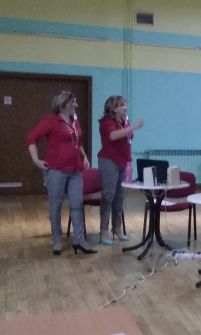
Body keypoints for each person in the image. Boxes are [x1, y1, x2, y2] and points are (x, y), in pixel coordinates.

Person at [26, 91, 96, 255]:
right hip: (56, 170)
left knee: (77, 205)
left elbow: (77, 142)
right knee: (55, 206)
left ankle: (80, 240)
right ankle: (57, 240)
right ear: (63, 105)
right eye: (73, 103)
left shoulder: (74, 121)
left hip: (75, 170)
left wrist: (84, 157)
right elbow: (31, 139)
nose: (76, 105)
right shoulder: (50, 121)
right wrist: (36, 160)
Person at [97, 96, 143, 246]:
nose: (125, 107)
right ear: (114, 108)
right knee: (108, 196)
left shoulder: (125, 121)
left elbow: (127, 140)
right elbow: (113, 135)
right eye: (122, 105)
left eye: (125, 104)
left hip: (124, 162)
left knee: (120, 197)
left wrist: (129, 161)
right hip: (109, 161)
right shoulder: (106, 122)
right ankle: (104, 230)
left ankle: (117, 228)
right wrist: (134, 127)